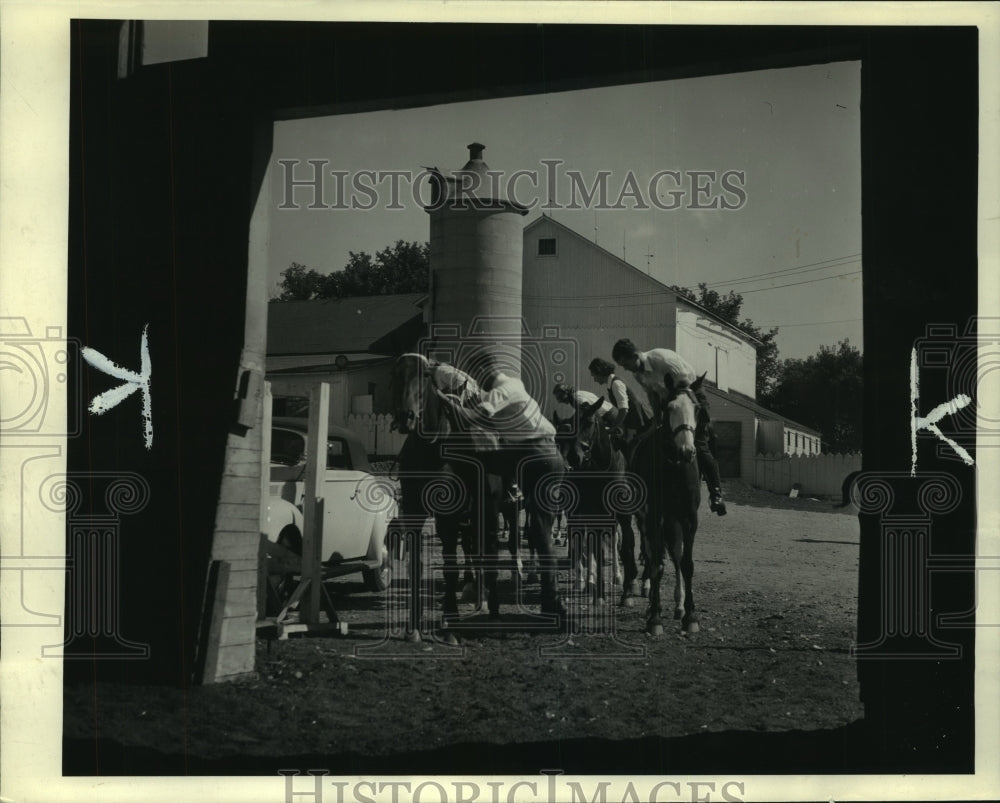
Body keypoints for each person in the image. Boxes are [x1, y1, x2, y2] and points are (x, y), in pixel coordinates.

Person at [437, 360, 568, 616]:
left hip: (534, 453)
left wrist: (453, 405)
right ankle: (552, 601)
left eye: (478, 377)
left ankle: (474, 503)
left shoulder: (502, 390)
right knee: (540, 531)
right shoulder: (513, 384)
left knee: (481, 461)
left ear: (487, 375)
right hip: (544, 454)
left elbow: (482, 414)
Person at [611, 338, 727, 516]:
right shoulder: (638, 374)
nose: (625, 369)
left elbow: (685, 389)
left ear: (634, 356)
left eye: (625, 363)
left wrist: (677, 415)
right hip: (670, 401)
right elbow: (653, 396)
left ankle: (716, 493)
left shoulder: (662, 359)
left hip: (690, 396)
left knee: (700, 444)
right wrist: (656, 421)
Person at [587, 357, 651, 461]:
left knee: (630, 449)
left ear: (600, 372)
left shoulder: (616, 384)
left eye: (594, 375)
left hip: (639, 420)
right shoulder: (612, 383)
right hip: (633, 420)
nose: (594, 379)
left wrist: (614, 426)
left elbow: (624, 409)